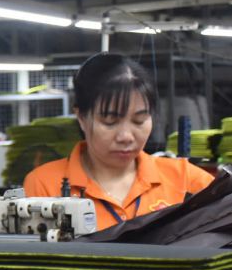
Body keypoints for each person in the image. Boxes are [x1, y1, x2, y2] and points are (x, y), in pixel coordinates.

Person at [23, 52, 213, 230]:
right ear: (81, 117)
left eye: (139, 120)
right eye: (110, 122)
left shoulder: (187, 180)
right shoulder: (44, 185)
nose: (126, 137)